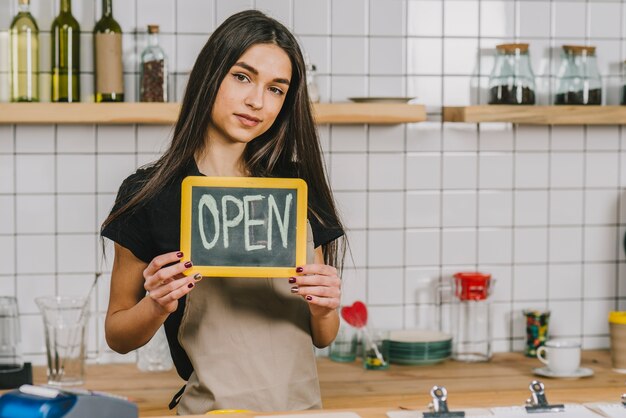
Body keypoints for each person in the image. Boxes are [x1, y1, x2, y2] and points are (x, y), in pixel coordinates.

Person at [100, 9, 346, 415]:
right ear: (211, 74)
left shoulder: (296, 189)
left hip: (301, 410)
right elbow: (118, 334)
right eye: (242, 76)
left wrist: (324, 307)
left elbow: (323, 335)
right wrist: (156, 304)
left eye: (276, 89)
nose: (256, 101)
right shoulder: (149, 194)